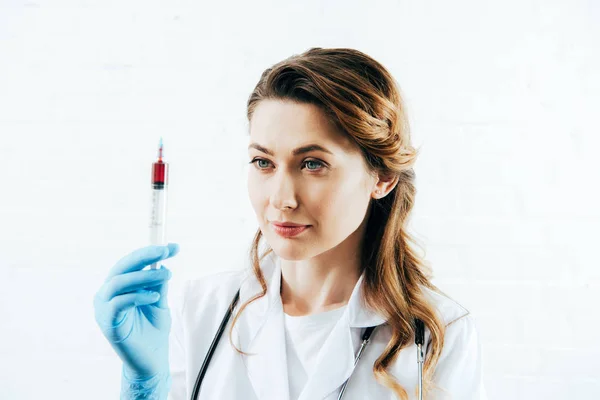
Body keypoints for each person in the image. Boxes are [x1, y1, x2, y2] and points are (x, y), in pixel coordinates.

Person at [94, 47, 487, 400]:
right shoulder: (201, 311)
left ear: (382, 177)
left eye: (313, 164)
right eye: (263, 162)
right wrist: (143, 388)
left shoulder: (437, 336)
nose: (281, 198)